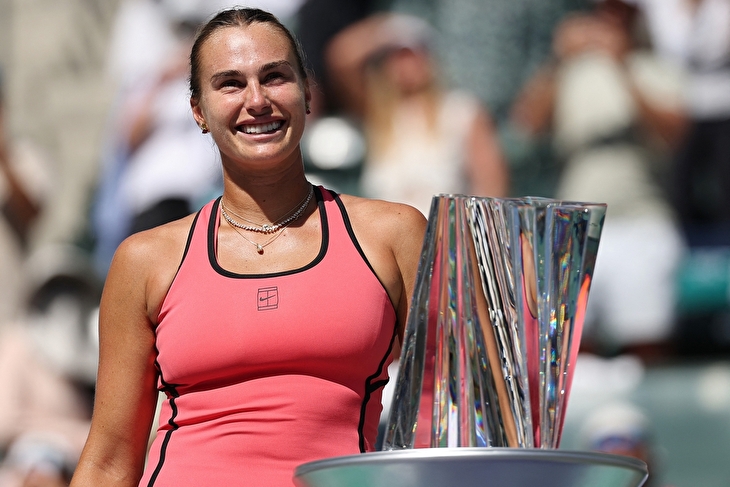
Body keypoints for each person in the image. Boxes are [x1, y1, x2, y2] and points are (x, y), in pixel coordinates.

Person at [70, 7, 427, 487]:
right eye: (230, 84)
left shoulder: (395, 234)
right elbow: (109, 461)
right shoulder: (144, 260)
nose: (257, 100)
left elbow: (455, 416)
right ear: (198, 111)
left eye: (275, 77)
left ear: (308, 93)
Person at [510, 0, 688, 359]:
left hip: (641, 217)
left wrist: (621, 65)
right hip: (577, 218)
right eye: (603, 12)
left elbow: (676, 133)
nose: (609, 20)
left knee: (646, 339)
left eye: (619, 13)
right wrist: (557, 58)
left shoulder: (656, 68)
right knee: (571, 343)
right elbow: (526, 124)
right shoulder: (571, 72)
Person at [325, 12, 509, 216]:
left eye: (412, 54)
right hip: (386, 231)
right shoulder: (378, 113)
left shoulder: (462, 110)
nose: (405, 65)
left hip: (443, 229)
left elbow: (491, 185)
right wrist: (385, 29)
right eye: (395, 56)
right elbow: (341, 58)